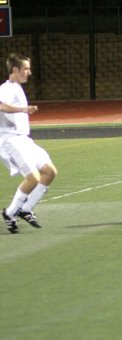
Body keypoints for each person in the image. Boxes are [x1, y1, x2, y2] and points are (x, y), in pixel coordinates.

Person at [0, 53, 57, 233]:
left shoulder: (17, 87)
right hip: (9, 140)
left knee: (49, 172)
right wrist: (24, 109)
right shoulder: (7, 88)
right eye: (25, 69)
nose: (29, 72)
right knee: (33, 178)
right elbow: (1, 105)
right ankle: (9, 213)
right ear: (15, 70)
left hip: (23, 139)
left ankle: (25, 209)